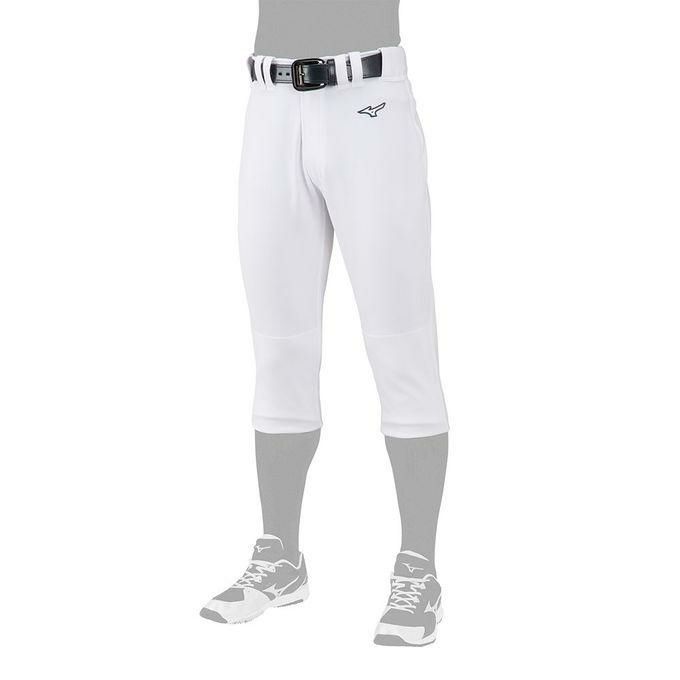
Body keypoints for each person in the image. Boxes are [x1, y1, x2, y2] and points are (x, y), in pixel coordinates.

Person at [200, 0, 449, 647]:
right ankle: (281, 556)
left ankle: (418, 566)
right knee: (279, 344)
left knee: (400, 341)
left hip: (368, 99)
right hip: (270, 101)